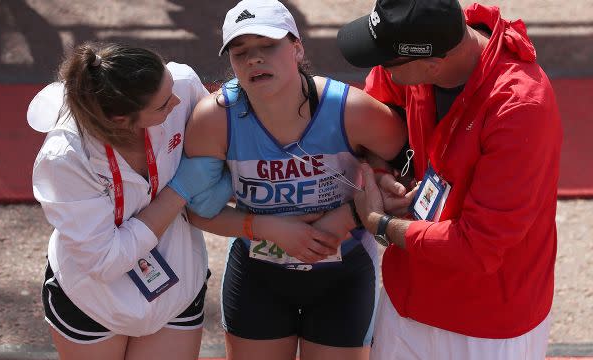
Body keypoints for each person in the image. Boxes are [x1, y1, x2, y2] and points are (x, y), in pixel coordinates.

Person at [337, 0, 562, 359]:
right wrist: (380, 170)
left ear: (433, 66)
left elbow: (478, 246)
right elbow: (379, 103)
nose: (381, 66)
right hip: (406, 298)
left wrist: (380, 225)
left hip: (486, 325)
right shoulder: (432, 41)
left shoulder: (520, 108)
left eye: (389, 60)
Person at [184, 1, 407, 359]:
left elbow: (407, 169)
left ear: (297, 48)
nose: (254, 59)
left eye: (268, 46)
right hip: (258, 277)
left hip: (343, 276)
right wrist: (267, 228)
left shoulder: (352, 110)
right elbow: (194, 210)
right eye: (241, 53)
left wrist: (350, 214)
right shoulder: (214, 118)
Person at [28, 42, 232, 360]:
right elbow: (104, 260)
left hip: (176, 289)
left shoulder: (180, 83)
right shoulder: (64, 157)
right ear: (121, 119)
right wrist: (178, 192)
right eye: (164, 105)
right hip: (93, 300)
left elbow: (226, 145)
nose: (178, 102)